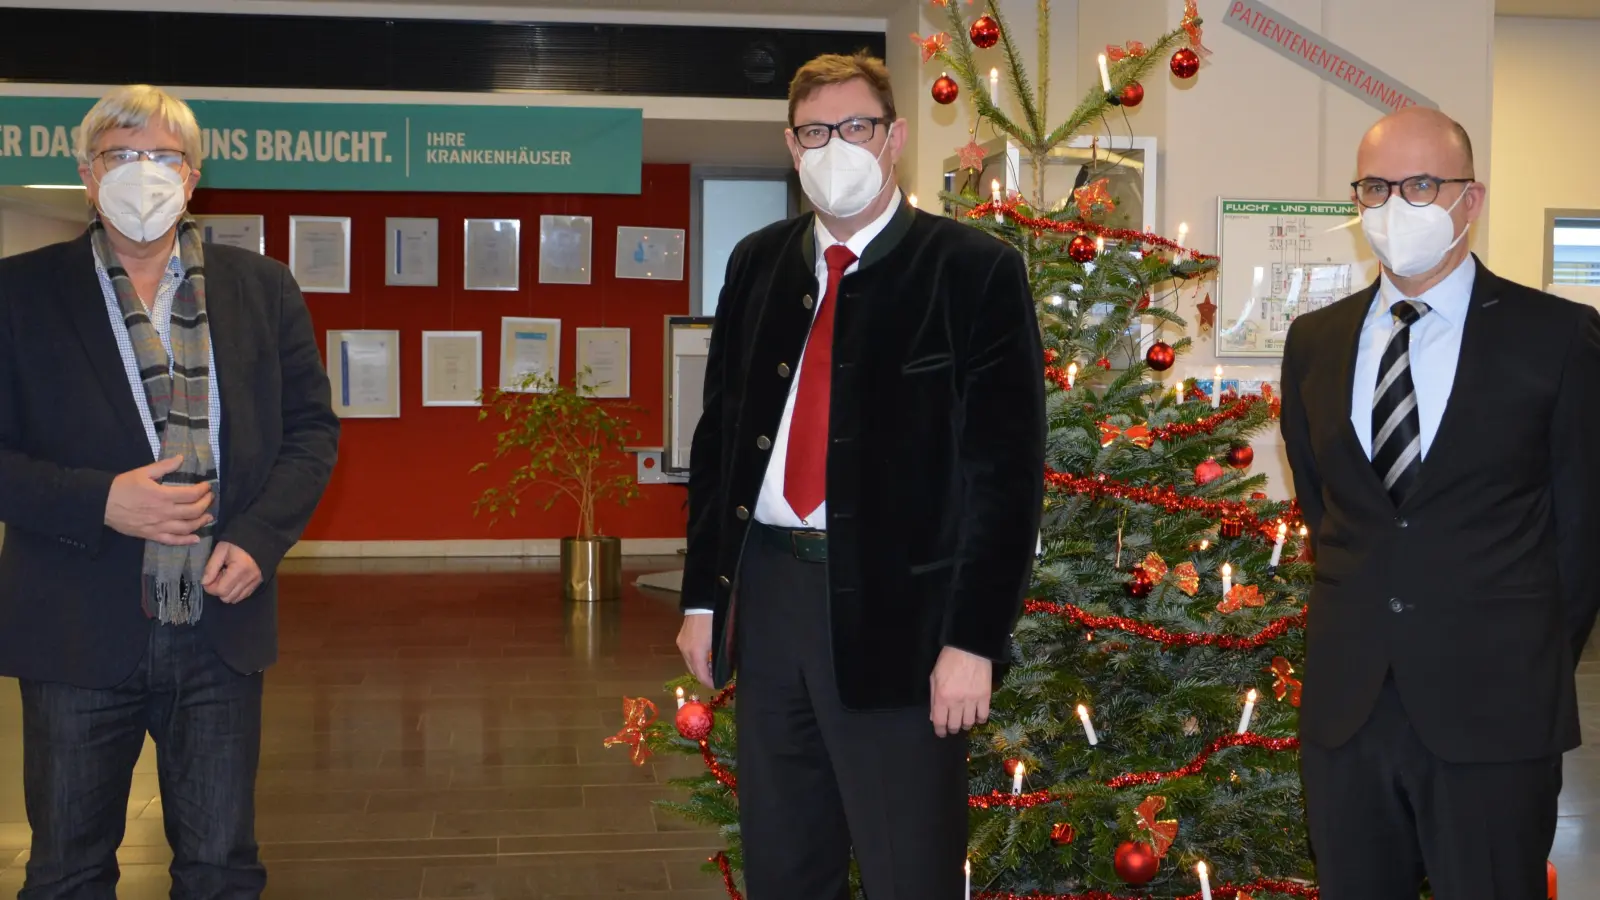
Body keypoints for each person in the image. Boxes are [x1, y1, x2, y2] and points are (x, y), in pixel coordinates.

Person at [675, 52, 1045, 900]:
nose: (834, 146)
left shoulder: (972, 270)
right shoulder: (756, 263)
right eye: (815, 131)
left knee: (907, 869)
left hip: (904, 622)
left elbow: (1006, 475)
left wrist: (973, 642)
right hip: (771, 601)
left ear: (895, 138)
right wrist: (703, 599)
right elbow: (719, 439)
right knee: (784, 864)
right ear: (791, 145)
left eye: (855, 127)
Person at [0, 84, 340, 899]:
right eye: (121, 155)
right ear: (88, 174)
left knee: (222, 869)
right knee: (67, 872)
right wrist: (100, 501)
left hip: (220, 626)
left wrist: (259, 539)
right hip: (75, 631)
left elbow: (311, 432)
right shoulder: (18, 294)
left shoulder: (262, 289)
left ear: (192, 177)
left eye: (162, 156)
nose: (142, 172)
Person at [1280, 106, 1599, 900]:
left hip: (1497, 710)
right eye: (1376, 187)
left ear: (1470, 199)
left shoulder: (1558, 337)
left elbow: (1584, 532)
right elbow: (1329, 509)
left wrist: (1526, 659)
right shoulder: (1315, 342)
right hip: (1349, 713)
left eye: (1421, 185)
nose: (1396, 206)